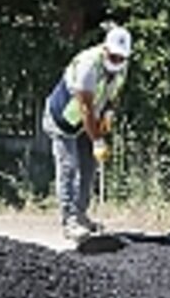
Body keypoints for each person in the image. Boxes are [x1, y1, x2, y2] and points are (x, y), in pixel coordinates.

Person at [43, 25, 130, 241]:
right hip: (63, 119)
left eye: (121, 57)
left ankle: (81, 215)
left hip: (87, 122)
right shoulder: (87, 64)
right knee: (69, 166)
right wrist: (98, 141)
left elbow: (113, 95)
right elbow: (85, 109)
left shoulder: (122, 67)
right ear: (105, 48)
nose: (117, 61)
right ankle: (69, 222)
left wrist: (108, 115)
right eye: (114, 56)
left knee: (89, 167)